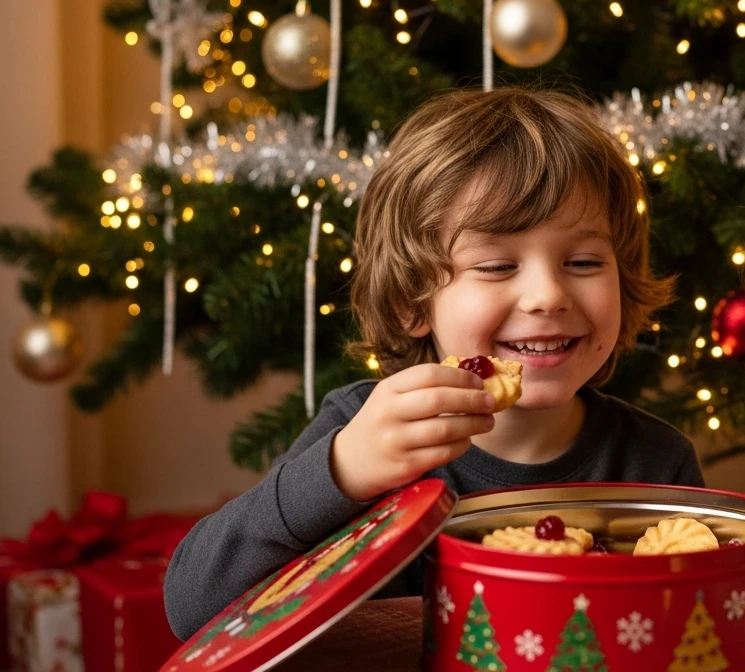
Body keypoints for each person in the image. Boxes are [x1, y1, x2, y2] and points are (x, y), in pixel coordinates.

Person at [165, 86, 703, 640]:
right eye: (496, 266)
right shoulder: (360, 435)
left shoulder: (657, 464)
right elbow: (193, 607)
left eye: (585, 260)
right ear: (410, 302)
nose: (548, 295)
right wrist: (342, 471)